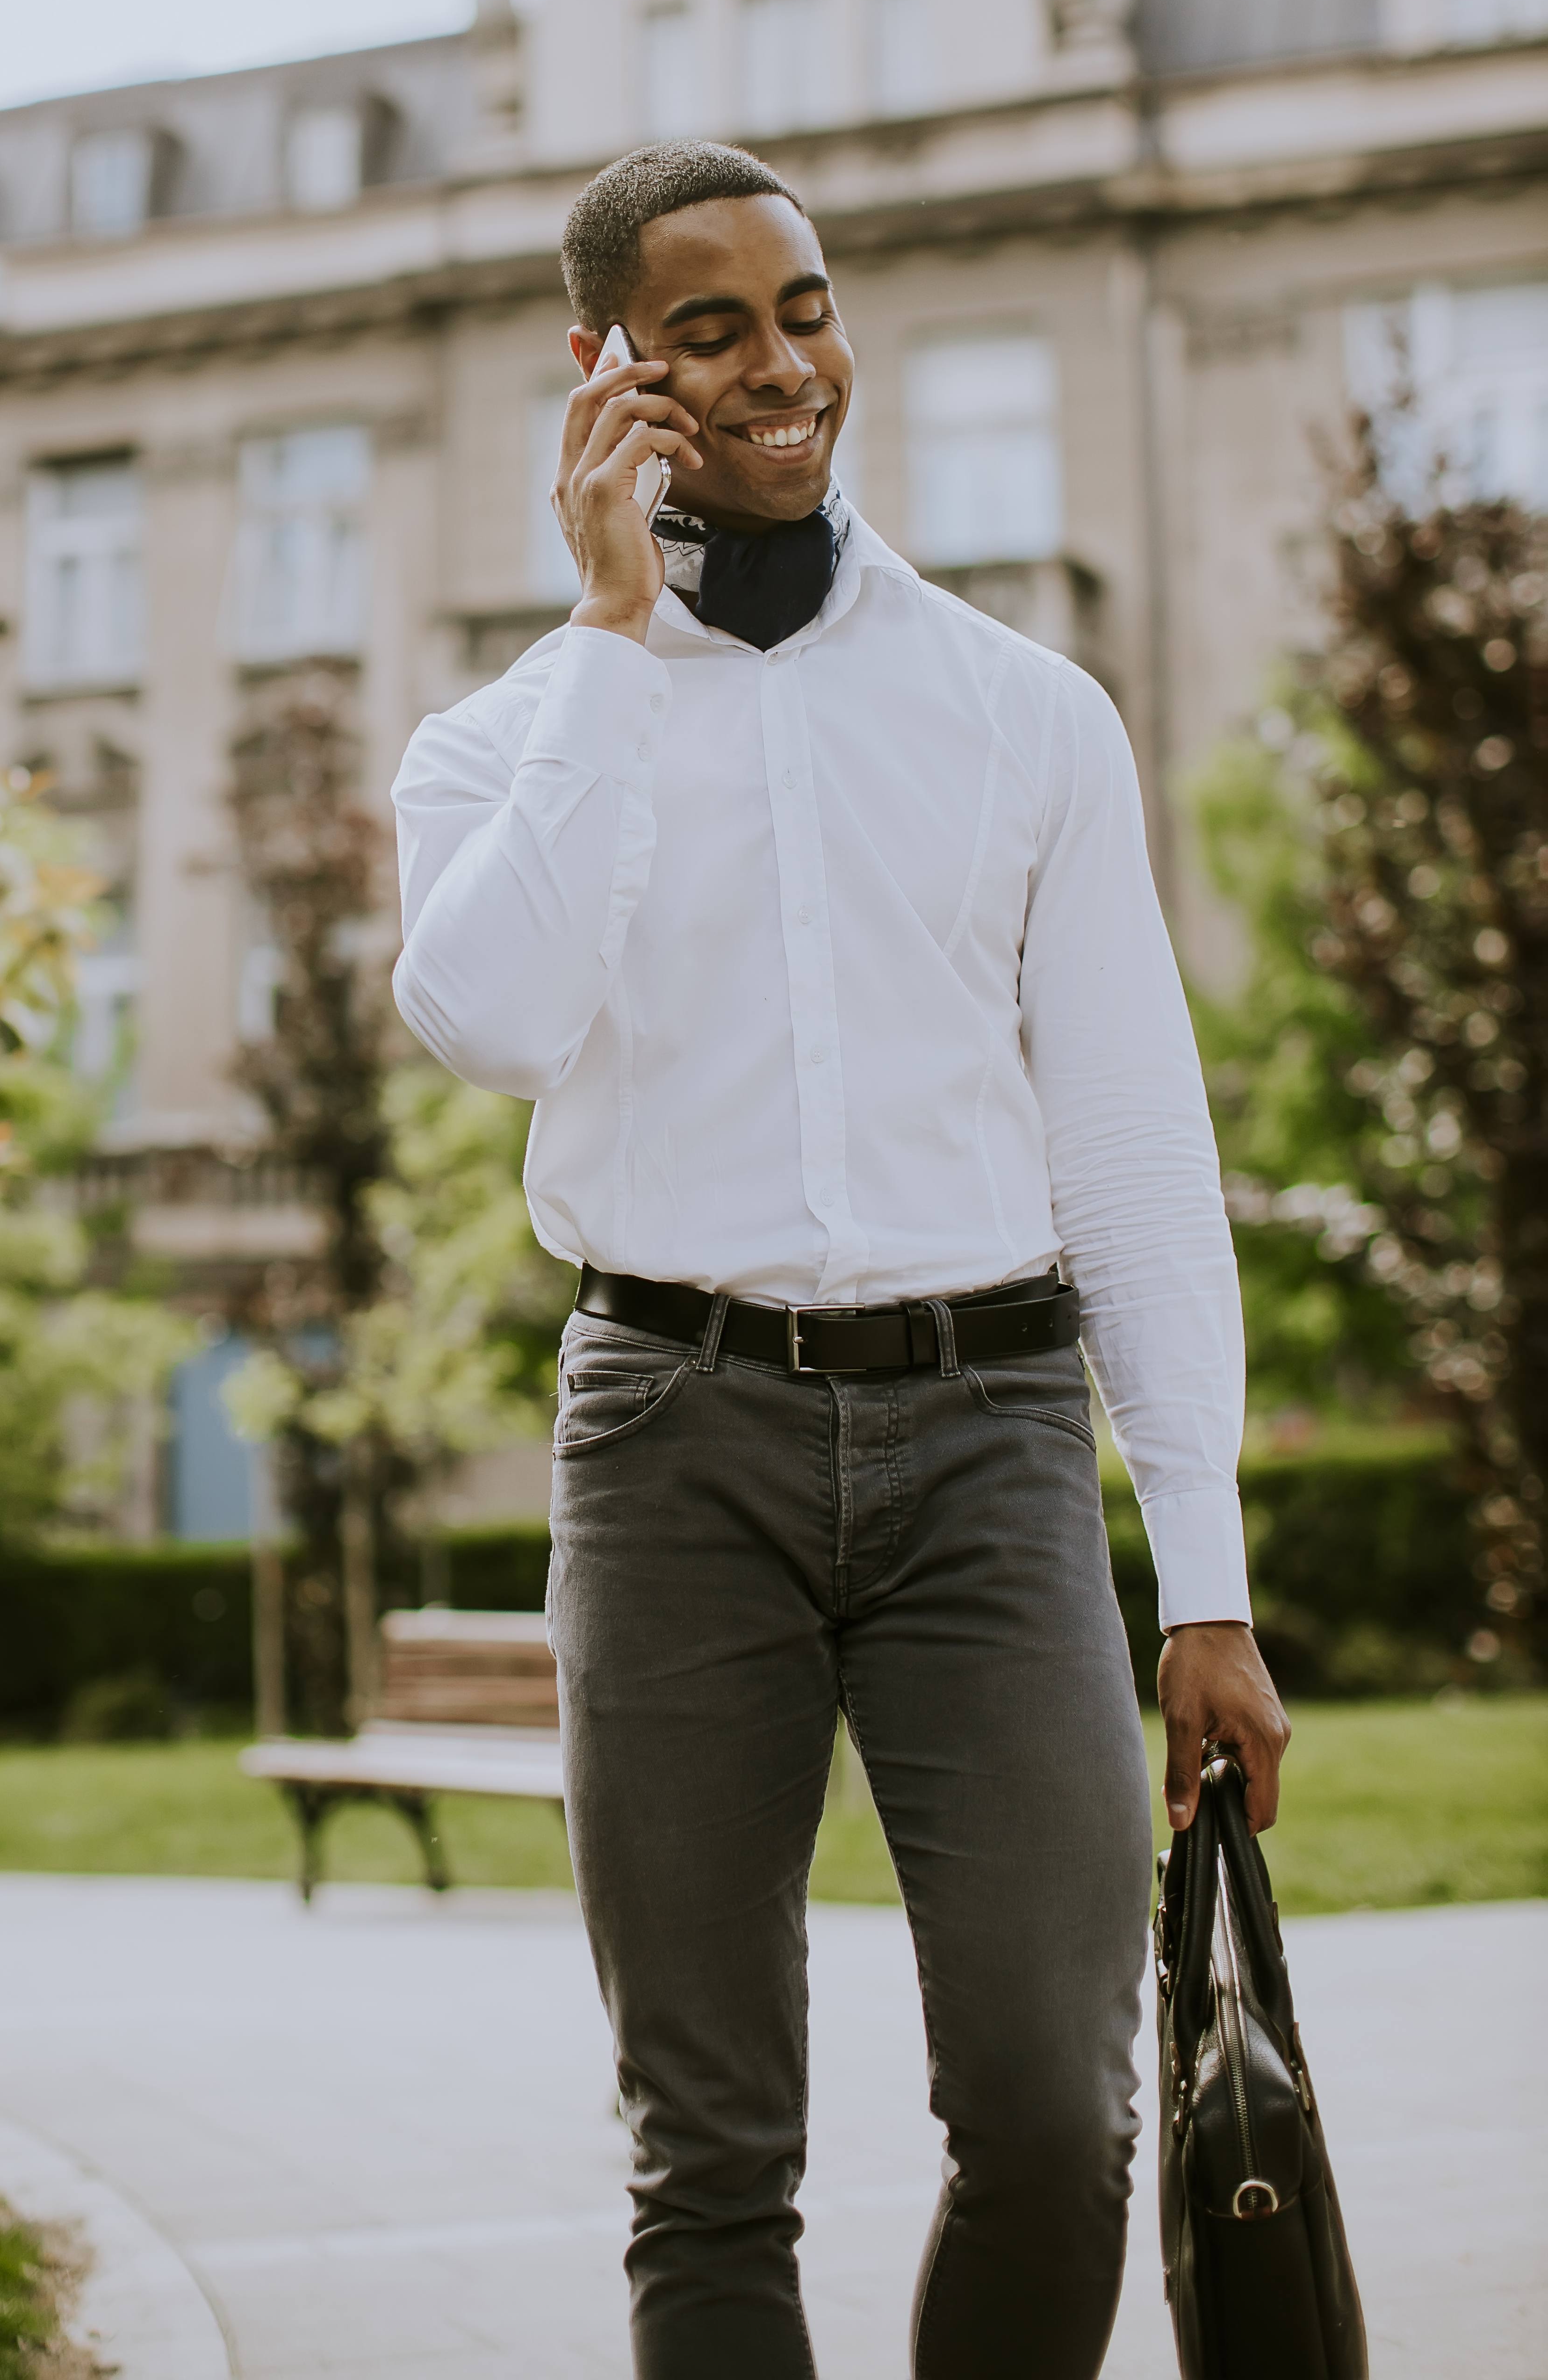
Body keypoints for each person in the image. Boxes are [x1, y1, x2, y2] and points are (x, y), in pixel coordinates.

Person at [389, 140, 1288, 2380]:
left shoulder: (1024, 716)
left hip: (988, 1442)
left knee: (1053, 2118)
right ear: (602, 371)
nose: (782, 364)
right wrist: (610, 633)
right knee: (707, 2154)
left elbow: (1133, 1155)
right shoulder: (500, 742)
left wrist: (1204, 1573)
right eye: (709, 329)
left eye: (802, 308)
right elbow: (488, 1021)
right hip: (671, 1440)